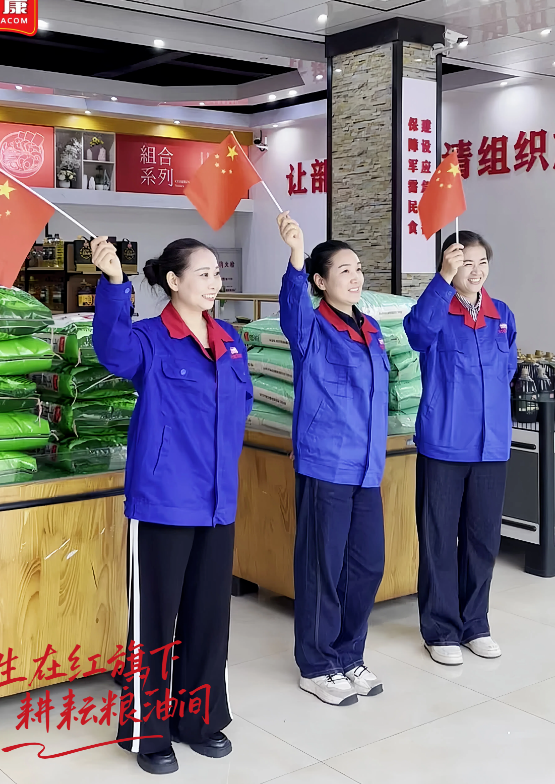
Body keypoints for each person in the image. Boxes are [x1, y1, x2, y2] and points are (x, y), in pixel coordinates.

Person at [92, 236, 253, 775]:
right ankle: (149, 732)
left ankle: (198, 721)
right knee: (155, 623)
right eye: (203, 274)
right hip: (163, 499)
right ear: (174, 281)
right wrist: (114, 284)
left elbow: (241, 403)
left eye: (216, 274)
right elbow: (112, 351)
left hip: (217, 501)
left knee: (209, 616)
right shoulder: (150, 338)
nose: (214, 282)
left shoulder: (230, 340)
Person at [277, 212, 389, 707]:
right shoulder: (312, 326)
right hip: (327, 462)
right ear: (320, 282)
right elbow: (291, 309)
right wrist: (295, 258)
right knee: (322, 567)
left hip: (367, 467)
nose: (356, 277)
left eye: (358, 269)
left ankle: (348, 654)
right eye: (344, 270)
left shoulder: (371, 329)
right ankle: (317, 664)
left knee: (366, 565)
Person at [404, 231, 517, 667]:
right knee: (438, 540)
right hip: (445, 443)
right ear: (450, 266)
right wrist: (440, 281)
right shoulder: (436, 310)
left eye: (482, 261)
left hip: (491, 446)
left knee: (482, 539)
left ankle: (475, 625)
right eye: (466, 262)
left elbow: (507, 368)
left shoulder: (501, 314)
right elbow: (416, 334)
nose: (476, 270)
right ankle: (440, 630)